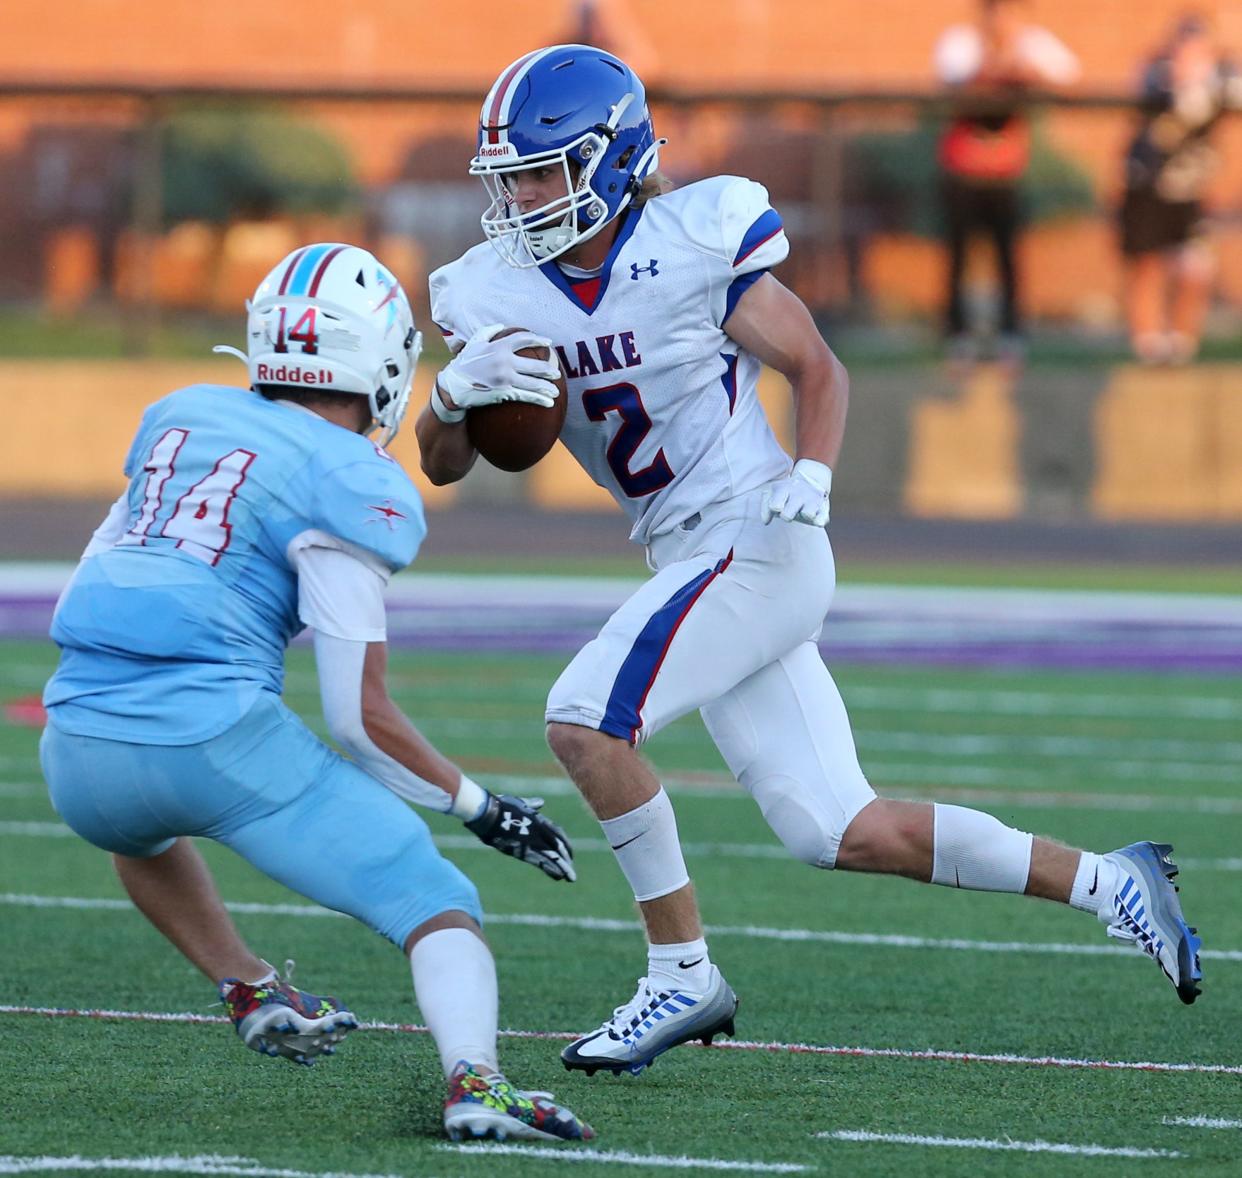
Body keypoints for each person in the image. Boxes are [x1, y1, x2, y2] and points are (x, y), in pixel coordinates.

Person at [416, 44, 1204, 1078]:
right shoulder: (494, 290)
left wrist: (815, 476)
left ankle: (680, 971)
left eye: (540, 170)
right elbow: (446, 465)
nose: (519, 195)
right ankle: (1114, 881)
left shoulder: (693, 238)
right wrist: (448, 398)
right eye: (509, 174)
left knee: (584, 718)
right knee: (841, 828)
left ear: (608, 162)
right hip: (684, 554)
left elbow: (816, 365)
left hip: (760, 537)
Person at [39, 242, 592, 1143]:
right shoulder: (350, 478)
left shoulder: (181, 418)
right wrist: (483, 807)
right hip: (209, 734)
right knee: (434, 896)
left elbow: (93, 583)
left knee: (138, 826)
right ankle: (478, 1084)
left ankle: (248, 986)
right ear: (378, 359)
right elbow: (358, 720)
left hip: (73, 748)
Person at [933, 0, 1080, 369]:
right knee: (960, 256)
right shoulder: (961, 41)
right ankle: (958, 338)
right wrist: (995, 66)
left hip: (1005, 172)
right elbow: (952, 79)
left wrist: (1023, 67)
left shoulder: (1029, 43)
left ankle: (1010, 337)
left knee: (1008, 257)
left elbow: (1069, 75)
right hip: (964, 170)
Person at [1119, 13, 1242, 365]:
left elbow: (1225, 92)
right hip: (1147, 189)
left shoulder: (1222, 76)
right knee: (1147, 266)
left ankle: (1180, 346)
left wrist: (1209, 82)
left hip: (1190, 194)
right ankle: (1148, 346)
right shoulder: (1155, 73)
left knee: (1196, 268)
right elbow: (1173, 102)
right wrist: (1189, 86)